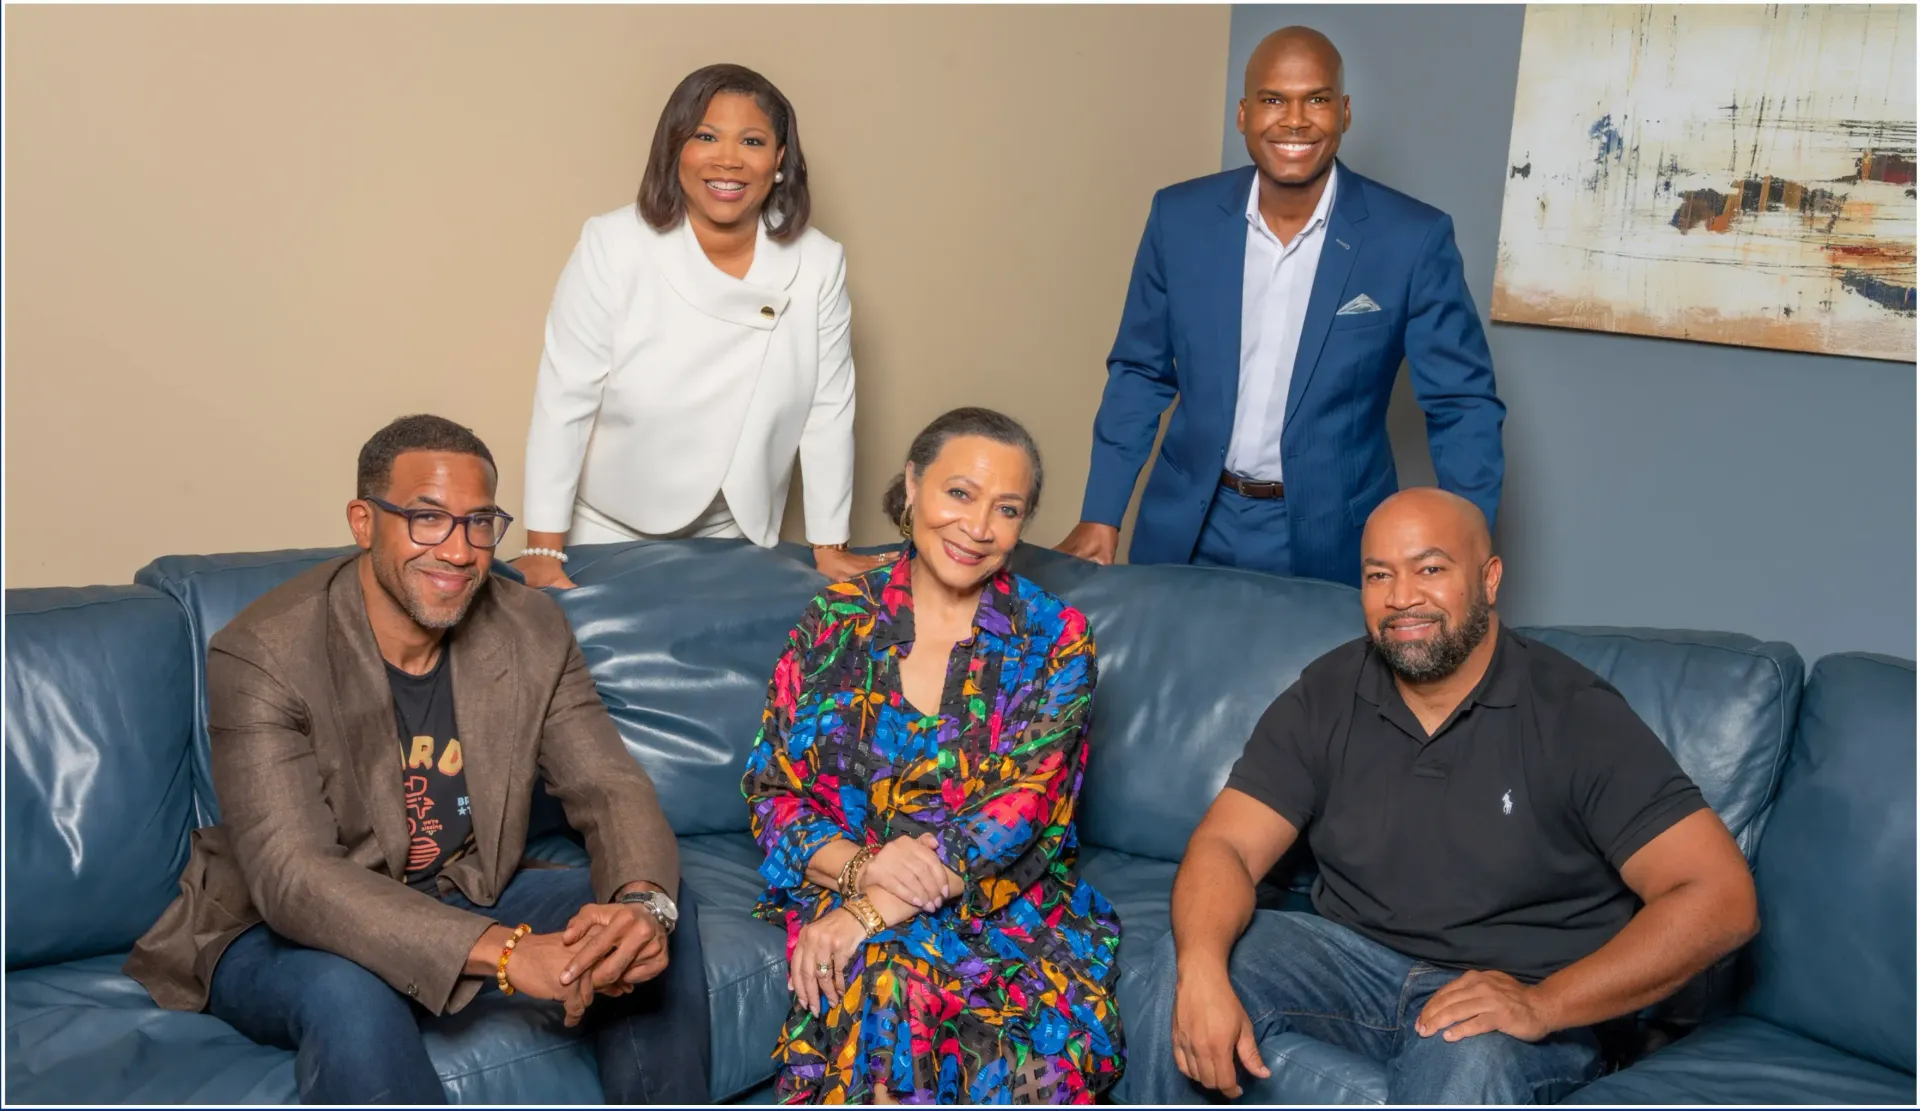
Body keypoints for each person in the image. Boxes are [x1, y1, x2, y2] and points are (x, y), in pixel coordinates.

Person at [124, 414, 710, 1104]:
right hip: (274, 927)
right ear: (364, 521)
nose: (459, 551)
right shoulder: (265, 653)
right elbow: (295, 878)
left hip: (463, 884)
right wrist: (511, 952)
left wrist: (641, 906)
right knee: (350, 993)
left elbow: (609, 785)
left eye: (480, 522)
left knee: (635, 919)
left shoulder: (530, 626)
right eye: (426, 519)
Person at [1128, 488, 1760, 1104]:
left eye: (1430, 569)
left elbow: (1720, 897)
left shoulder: (1574, 715)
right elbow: (1227, 844)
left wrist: (1545, 1003)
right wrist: (1204, 970)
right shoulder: (1328, 690)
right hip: (1352, 962)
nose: (1403, 598)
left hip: (1513, 982)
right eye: (1379, 575)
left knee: (1470, 1054)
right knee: (1181, 961)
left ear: (1488, 580)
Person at [741, 408, 1124, 1104]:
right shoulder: (833, 621)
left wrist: (867, 909)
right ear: (913, 485)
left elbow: (1020, 809)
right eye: (960, 493)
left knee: (965, 1023)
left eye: (1006, 509)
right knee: (882, 978)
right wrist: (864, 869)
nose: (978, 527)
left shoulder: (1057, 639)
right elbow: (773, 792)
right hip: (851, 887)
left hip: (1003, 908)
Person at [1057, 27, 1506, 587]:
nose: (1294, 121)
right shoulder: (1179, 219)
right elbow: (1140, 373)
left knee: (1321, 679)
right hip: (1187, 524)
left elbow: (1462, 404)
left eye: (1316, 99)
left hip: (1333, 538)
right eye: (1274, 100)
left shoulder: (1411, 239)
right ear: (1243, 114)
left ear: (1344, 113)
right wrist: (1102, 512)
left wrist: (1463, 543)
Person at [517, 63, 886, 590]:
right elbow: (564, 398)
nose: (728, 159)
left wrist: (830, 546)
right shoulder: (613, 244)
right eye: (706, 136)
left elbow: (828, 410)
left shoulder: (819, 261)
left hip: (738, 525)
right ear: (675, 150)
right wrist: (542, 550)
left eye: (752, 140)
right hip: (607, 521)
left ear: (780, 159)